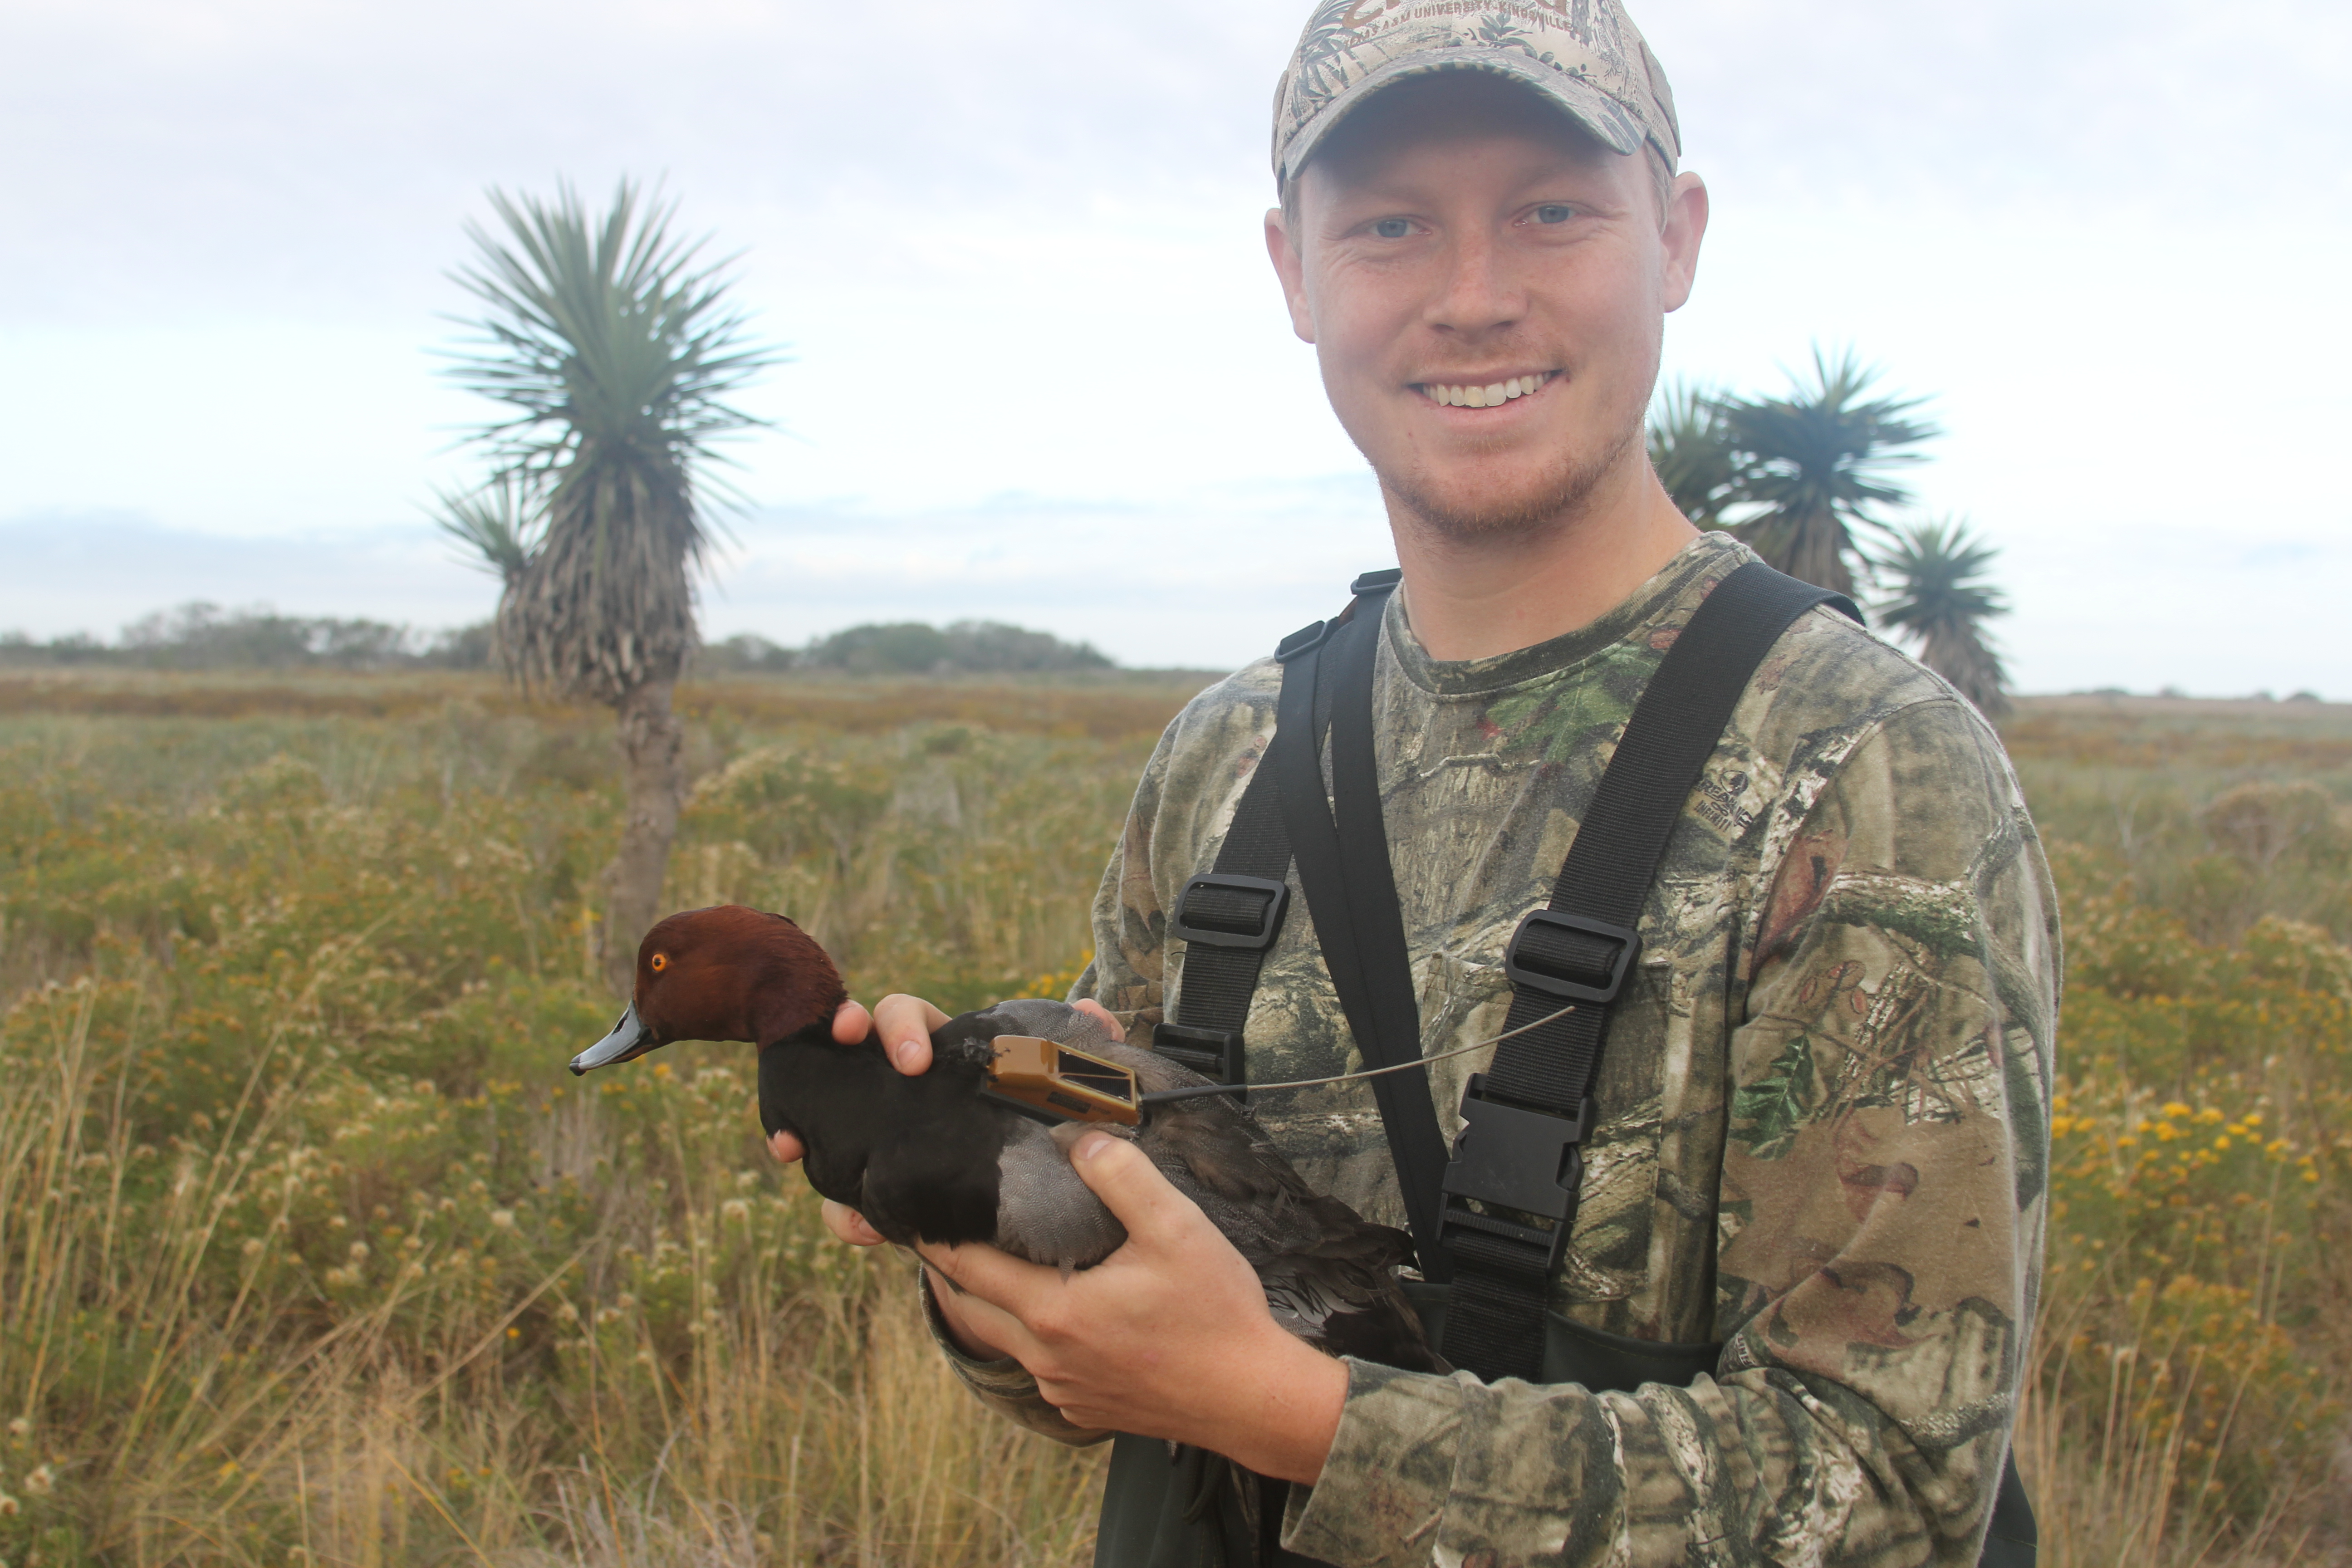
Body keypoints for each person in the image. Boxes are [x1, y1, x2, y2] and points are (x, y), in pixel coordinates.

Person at [770, 3, 2058, 1563]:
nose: (1473, 297)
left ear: (1677, 236)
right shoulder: (1226, 759)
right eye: (1390, 224)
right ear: (1293, 274)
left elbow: (1898, 1490)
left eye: (1551, 210)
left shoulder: (1862, 769)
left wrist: (1294, 1416)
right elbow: (1090, 1372)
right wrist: (958, 1209)